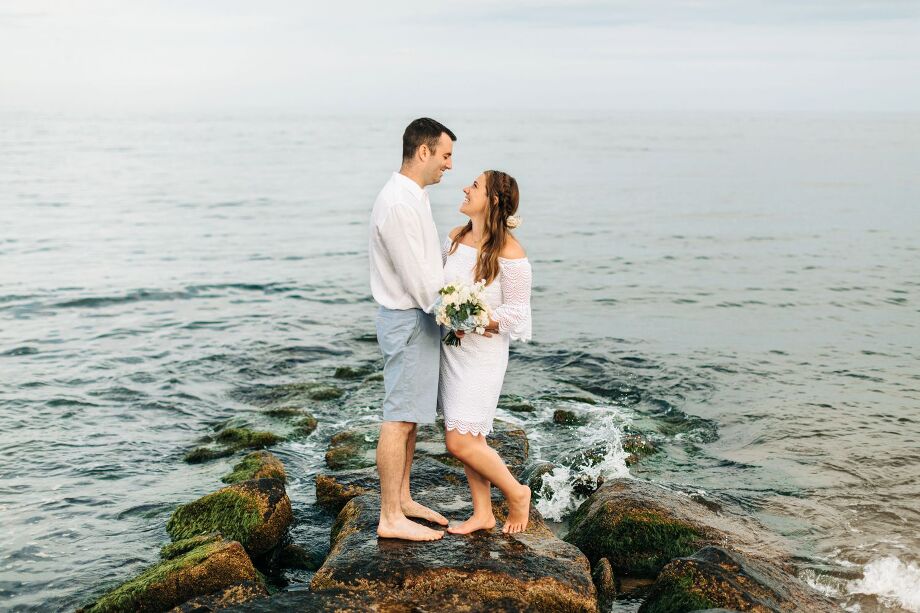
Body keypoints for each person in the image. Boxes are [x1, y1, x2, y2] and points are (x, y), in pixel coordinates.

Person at [369, 117, 456, 541]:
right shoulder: (399, 203)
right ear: (423, 152)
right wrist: (460, 316)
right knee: (398, 418)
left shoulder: (414, 196)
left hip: (417, 318)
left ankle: (402, 498)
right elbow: (417, 280)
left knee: (413, 417)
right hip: (408, 318)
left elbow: (426, 263)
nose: (449, 165)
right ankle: (389, 517)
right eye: (445, 155)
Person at [439, 170, 533, 535]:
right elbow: (438, 289)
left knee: (458, 440)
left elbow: (517, 313)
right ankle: (483, 513)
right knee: (470, 437)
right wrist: (447, 311)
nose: (465, 188)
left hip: (483, 356)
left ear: (493, 200)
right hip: (453, 351)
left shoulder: (511, 252)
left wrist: (474, 318)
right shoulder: (454, 237)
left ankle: (516, 492)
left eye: (474, 185)